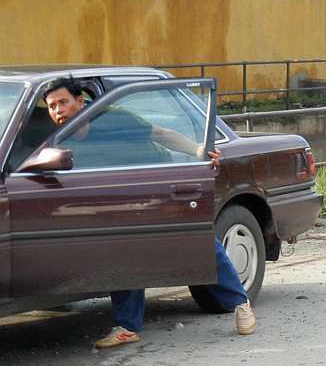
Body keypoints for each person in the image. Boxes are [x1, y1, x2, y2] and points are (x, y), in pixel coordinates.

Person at [41, 77, 256, 348]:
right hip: (117, 203)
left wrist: (199, 151)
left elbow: (161, 134)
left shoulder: (112, 119)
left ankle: (240, 302)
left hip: (156, 187)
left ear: (80, 102)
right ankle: (127, 326)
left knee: (197, 244)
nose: (58, 110)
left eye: (63, 102)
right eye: (52, 106)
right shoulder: (55, 141)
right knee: (124, 254)